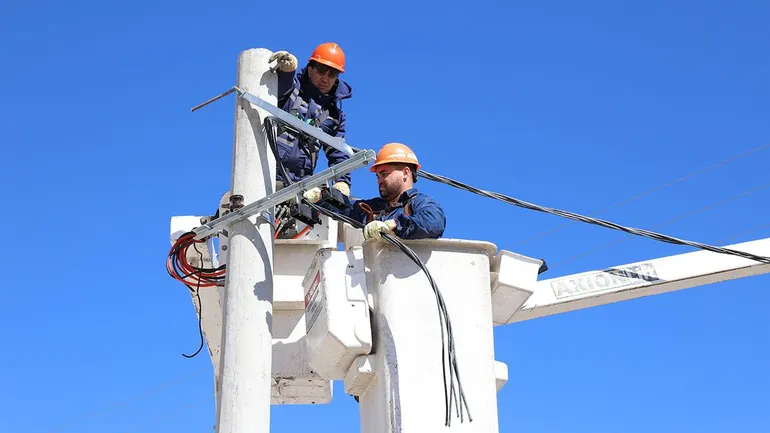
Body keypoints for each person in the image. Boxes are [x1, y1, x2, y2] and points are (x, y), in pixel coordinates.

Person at [303, 143, 447, 242]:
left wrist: (394, 226)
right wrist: (320, 198)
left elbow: (434, 223)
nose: (379, 180)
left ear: (405, 173)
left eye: (384, 174)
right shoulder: (377, 208)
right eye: (377, 176)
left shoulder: (419, 202)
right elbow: (346, 208)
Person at [268, 42, 352, 196]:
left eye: (332, 74)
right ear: (310, 68)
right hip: (267, 174)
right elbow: (277, 90)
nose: (325, 78)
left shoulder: (334, 116)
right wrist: (286, 72)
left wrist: (342, 181)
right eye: (321, 70)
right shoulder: (292, 90)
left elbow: (339, 152)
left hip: (301, 183)